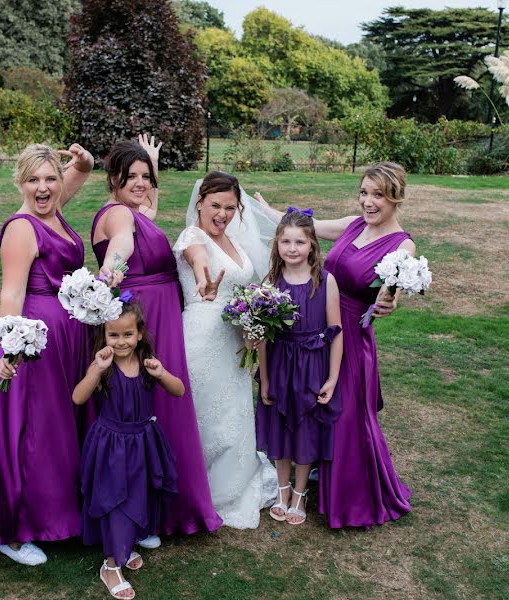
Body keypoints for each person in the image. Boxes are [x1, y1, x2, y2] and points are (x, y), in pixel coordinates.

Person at [254, 162, 414, 528]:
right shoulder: (352, 223)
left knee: (343, 416)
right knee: (308, 405)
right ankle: (304, 478)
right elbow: (300, 227)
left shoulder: (402, 244)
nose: (368, 202)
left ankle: (347, 494)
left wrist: (388, 302)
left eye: (378, 195)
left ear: (396, 198)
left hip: (349, 337)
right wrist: (266, 210)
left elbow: (392, 290)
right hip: (310, 316)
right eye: (364, 192)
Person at [0, 142, 95, 563]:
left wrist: (84, 166)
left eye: (50, 179)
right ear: (19, 182)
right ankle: (12, 531)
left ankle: (58, 513)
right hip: (34, 345)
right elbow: (12, 292)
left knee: (60, 430)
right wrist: (12, 349)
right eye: (33, 180)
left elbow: (62, 188)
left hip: (67, 342)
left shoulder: (52, 210)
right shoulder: (21, 228)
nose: (43, 188)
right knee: (32, 434)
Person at [90, 136, 222, 543]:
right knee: (146, 411)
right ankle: (142, 513)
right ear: (113, 179)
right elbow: (124, 242)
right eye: (131, 177)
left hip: (163, 315)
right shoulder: (117, 216)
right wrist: (110, 272)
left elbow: (147, 209)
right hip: (143, 319)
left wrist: (153, 165)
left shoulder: (137, 209)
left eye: (145, 177)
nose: (142, 184)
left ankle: (157, 506)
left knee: (162, 407)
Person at [173, 171, 278, 528]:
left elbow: (247, 282)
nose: (222, 214)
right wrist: (205, 282)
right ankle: (196, 490)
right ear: (200, 202)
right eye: (215, 205)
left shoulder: (234, 241)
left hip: (235, 340)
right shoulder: (192, 237)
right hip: (202, 338)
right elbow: (199, 262)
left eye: (230, 207)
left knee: (232, 414)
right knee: (205, 416)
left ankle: (230, 485)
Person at [73, 302, 183, 600]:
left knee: (138, 495)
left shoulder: (148, 363)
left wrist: (161, 373)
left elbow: (179, 390)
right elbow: (78, 397)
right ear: (104, 335)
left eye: (127, 334)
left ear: (140, 334)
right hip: (111, 445)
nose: (120, 342)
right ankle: (110, 566)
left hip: (143, 441)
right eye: (113, 335)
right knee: (115, 500)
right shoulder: (102, 366)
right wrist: (98, 369)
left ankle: (128, 543)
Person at [255, 208, 343, 526]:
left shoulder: (325, 282)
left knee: (306, 428)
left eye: (299, 242)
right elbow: (263, 336)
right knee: (279, 425)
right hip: (279, 363)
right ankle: (282, 488)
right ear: (277, 244)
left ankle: (301, 492)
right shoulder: (271, 282)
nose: (292, 249)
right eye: (286, 242)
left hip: (312, 365)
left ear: (312, 245)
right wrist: (264, 379)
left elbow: (336, 332)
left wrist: (332, 378)